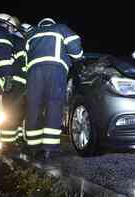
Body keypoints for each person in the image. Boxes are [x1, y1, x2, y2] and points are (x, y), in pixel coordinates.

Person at [25, 18, 83, 160]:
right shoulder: (60, 28)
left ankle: (33, 147)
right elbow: (75, 46)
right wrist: (78, 56)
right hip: (55, 69)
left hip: (33, 73)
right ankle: (50, 149)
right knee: (54, 104)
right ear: (52, 22)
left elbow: (25, 56)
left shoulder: (31, 33)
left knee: (34, 107)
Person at [0, 13, 18, 151]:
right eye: (12, 28)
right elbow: (3, 54)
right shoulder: (1, 33)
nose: (12, 32)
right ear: (6, 24)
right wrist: (8, 76)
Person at [0, 18, 31, 148]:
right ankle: (8, 141)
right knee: (13, 111)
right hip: (17, 82)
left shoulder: (13, 40)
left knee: (18, 112)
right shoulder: (20, 42)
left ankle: (15, 138)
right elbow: (24, 63)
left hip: (15, 82)